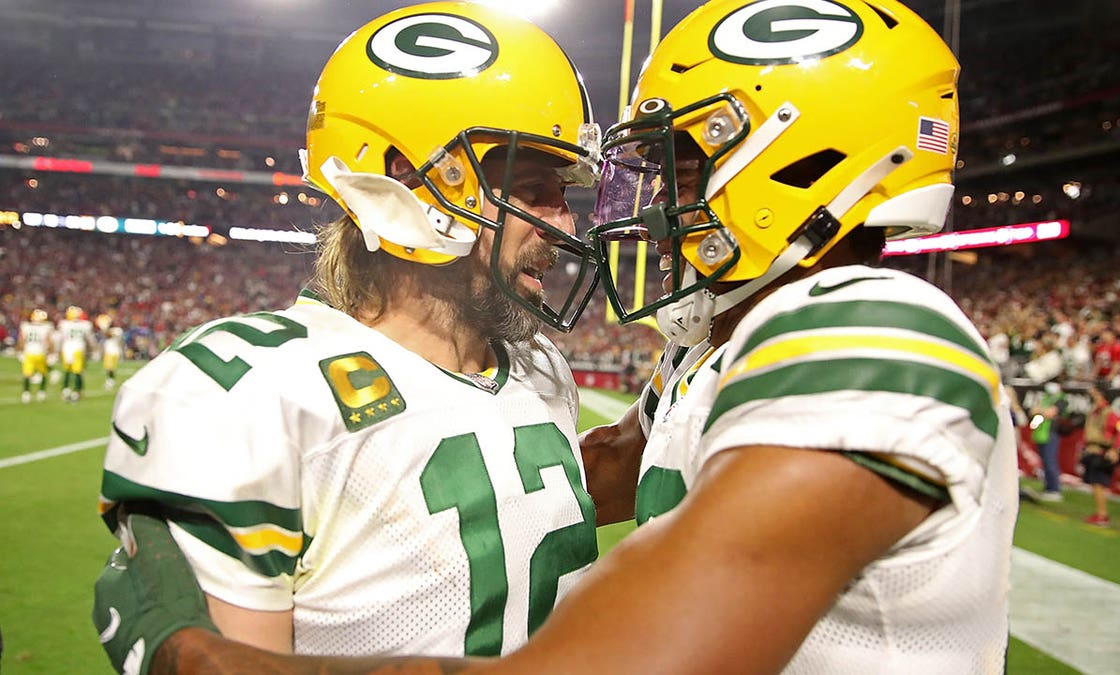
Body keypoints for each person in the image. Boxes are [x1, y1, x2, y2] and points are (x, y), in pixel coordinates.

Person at [95, 1, 1018, 672]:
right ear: (415, 177)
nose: (642, 205)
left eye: (684, 165)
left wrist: (197, 659)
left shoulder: (867, 329)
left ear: (789, 161)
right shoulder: (705, 353)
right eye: (535, 184)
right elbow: (601, 468)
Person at [94, 2, 622, 671]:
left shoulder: (538, 366)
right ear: (409, 183)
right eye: (532, 187)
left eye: (564, 193)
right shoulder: (256, 391)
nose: (562, 223)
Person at [1080, 385, 1120, 526]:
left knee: (1099, 483)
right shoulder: (1094, 412)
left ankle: (1102, 515)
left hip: (1101, 452)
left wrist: (1115, 449)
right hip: (1092, 450)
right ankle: (1100, 513)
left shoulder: (1110, 413)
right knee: (1095, 484)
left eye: (1095, 394)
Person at [1029, 379, 1067, 501]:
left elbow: (1050, 413)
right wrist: (1041, 411)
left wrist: (1040, 411)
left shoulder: (1061, 400)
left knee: (1051, 462)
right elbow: (1033, 411)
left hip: (1051, 434)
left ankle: (1055, 489)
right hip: (1040, 433)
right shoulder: (1046, 398)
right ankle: (1048, 487)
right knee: (1045, 462)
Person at [58, 304, 95, 401]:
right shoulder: (85, 325)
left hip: (67, 349)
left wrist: (58, 350)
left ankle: (65, 390)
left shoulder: (64, 324)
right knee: (78, 371)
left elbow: (60, 339)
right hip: (79, 348)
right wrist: (92, 349)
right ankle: (76, 392)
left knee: (67, 371)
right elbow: (89, 339)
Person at [17, 308, 53, 403]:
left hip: (29, 352)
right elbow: (48, 341)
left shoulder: (26, 326)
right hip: (40, 352)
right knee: (43, 373)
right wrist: (51, 353)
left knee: (27, 374)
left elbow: (22, 340)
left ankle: (26, 394)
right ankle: (41, 393)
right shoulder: (46, 327)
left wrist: (20, 351)